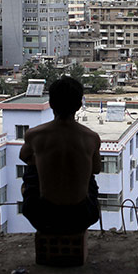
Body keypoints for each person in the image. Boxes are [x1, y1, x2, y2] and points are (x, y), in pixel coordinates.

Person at [19, 76, 101, 234]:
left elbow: (24, 157)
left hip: (43, 215)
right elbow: (96, 169)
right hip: (81, 215)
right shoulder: (91, 137)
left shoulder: (35, 135)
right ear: (78, 105)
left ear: (51, 103)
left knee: (32, 168)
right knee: (88, 174)